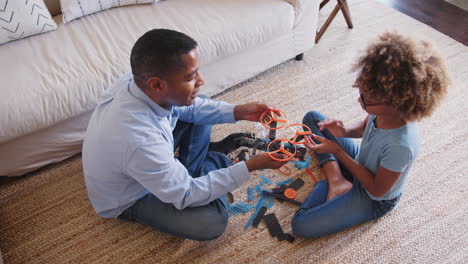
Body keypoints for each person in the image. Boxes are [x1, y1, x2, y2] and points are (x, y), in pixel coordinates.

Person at [82, 29, 287, 241]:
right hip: (131, 196)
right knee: (212, 222)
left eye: (197, 72)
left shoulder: (135, 82)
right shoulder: (139, 140)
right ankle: (214, 161)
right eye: (190, 77)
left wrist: (238, 111)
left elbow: (190, 109)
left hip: (141, 158)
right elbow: (185, 195)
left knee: (198, 101)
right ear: (157, 84)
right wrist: (250, 166)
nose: (201, 80)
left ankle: (192, 169)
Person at [292, 32, 450, 238]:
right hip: (361, 164)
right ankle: (336, 177)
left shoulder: (400, 146)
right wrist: (344, 131)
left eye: (366, 99)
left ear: (397, 103)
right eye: (361, 93)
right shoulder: (383, 114)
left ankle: (330, 175)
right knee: (313, 118)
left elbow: (377, 190)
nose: (360, 102)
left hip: (373, 198)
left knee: (301, 226)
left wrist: (338, 153)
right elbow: (364, 127)